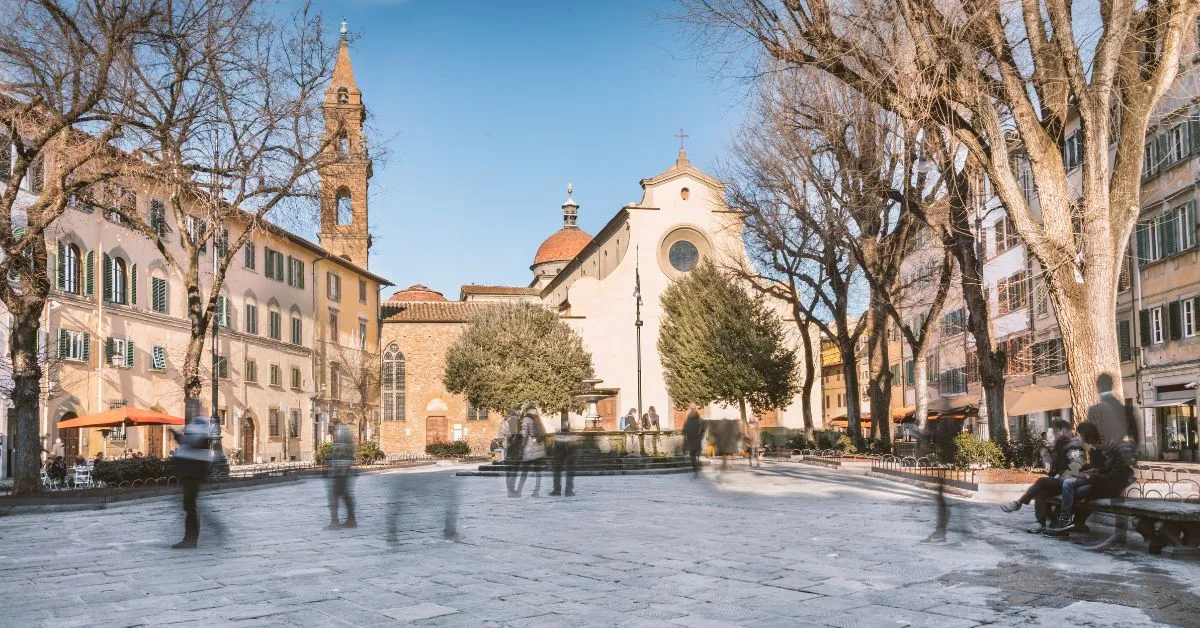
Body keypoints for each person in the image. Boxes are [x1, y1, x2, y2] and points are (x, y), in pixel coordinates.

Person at [1045, 419, 1135, 536]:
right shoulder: (1094, 447)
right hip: (1099, 480)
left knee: (1073, 488)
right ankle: (1069, 521)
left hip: (1108, 485)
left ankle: (1071, 521)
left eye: (1080, 435)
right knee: (1071, 487)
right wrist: (1088, 470)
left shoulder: (1107, 449)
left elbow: (1113, 473)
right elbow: (1100, 467)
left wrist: (1091, 475)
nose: (1078, 437)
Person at [1000, 420, 1082, 533]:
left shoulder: (1073, 445)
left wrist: (1065, 476)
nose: (1053, 435)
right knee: (1040, 492)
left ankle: (1019, 503)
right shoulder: (1060, 444)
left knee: (1041, 482)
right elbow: (1054, 465)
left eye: (1055, 432)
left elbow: (1077, 464)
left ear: (1063, 431)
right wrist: (1046, 455)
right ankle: (1040, 523)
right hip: (1059, 480)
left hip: (1070, 481)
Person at [168, 408, 213, 549]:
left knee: (189, 504)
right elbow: (189, 442)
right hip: (191, 469)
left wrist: (178, 436)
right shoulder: (195, 423)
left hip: (195, 470)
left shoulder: (202, 422)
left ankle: (191, 539)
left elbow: (196, 442)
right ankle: (191, 538)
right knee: (189, 504)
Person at [325, 422, 357, 529]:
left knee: (335, 495)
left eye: (329, 428)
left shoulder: (341, 432)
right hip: (342, 470)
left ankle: (335, 522)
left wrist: (339, 469)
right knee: (344, 494)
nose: (328, 431)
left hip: (341, 471)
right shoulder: (342, 432)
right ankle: (351, 520)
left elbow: (342, 453)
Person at [517, 407, 547, 497]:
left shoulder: (526, 420)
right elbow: (543, 434)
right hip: (539, 449)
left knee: (524, 471)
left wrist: (521, 446)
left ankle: (518, 491)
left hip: (529, 450)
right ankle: (536, 492)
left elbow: (524, 435)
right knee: (538, 471)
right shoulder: (538, 421)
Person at [499, 408, 524, 497]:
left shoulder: (504, 422)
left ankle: (510, 490)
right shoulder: (515, 421)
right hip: (514, 450)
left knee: (509, 471)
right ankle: (511, 490)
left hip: (507, 450)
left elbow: (501, 438)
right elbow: (518, 436)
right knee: (513, 470)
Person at [550, 422, 578, 497]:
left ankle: (557, 490)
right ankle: (568, 491)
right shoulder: (571, 435)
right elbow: (574, 444)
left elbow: (554, 444)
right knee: (569, 471)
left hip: (561, 450)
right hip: (566, 451)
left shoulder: (559, 435)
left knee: (558, 471)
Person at [682, 406, 706, 478]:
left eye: (693, 410)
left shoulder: (699, 420)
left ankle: (696, 469)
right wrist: (684, 433)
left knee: (696, 456)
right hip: (691, 440)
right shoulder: (688, 420)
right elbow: (684, 429)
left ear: (695, 410)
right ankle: (695, 469)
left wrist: (701, 436)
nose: (692, 411)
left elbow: (703, 429)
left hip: (696, 440)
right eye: (691, 410)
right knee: (693, 456)